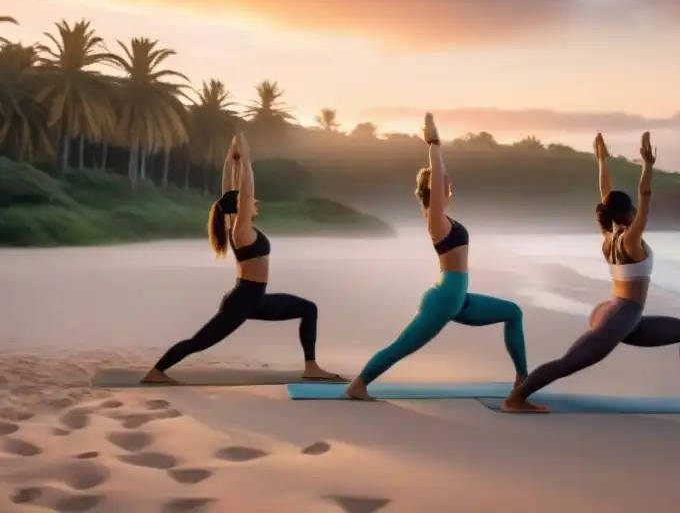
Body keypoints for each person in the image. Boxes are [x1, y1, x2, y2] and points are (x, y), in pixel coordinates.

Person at [500, 131, 680, 413]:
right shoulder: (630, 238)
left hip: (617, 312)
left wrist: (602, 161)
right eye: (632, 208)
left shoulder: (609, 234)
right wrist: (648, 165)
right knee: (569, 362)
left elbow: (605, 195)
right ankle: (516, 398)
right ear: (626, 213)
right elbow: (645, 196)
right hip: (622, 314)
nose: (636, 210)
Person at [344, 113, 536, 402]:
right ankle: (358, 385)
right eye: (445, 180)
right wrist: (434, 143)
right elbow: (436, 176)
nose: (450, 183)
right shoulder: (435, 219)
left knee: (513, 312)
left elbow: (439, 182)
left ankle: (522, 378)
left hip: (457, 297)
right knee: (402, 346)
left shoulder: (444, 218)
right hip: (445, 297)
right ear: (434, 188)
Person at [142, 132, 340, 384]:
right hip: (243, 300)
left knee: (308, 309)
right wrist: (245, 160)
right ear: (242, 206)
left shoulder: (233, 221)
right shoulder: (240, 229)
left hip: (253, 297)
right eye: (250, 200)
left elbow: (230, 191)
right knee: (199, 342)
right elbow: (244, 191)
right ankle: (156, 371)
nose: (255, 201)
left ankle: (311, 366)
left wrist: (230, 160)